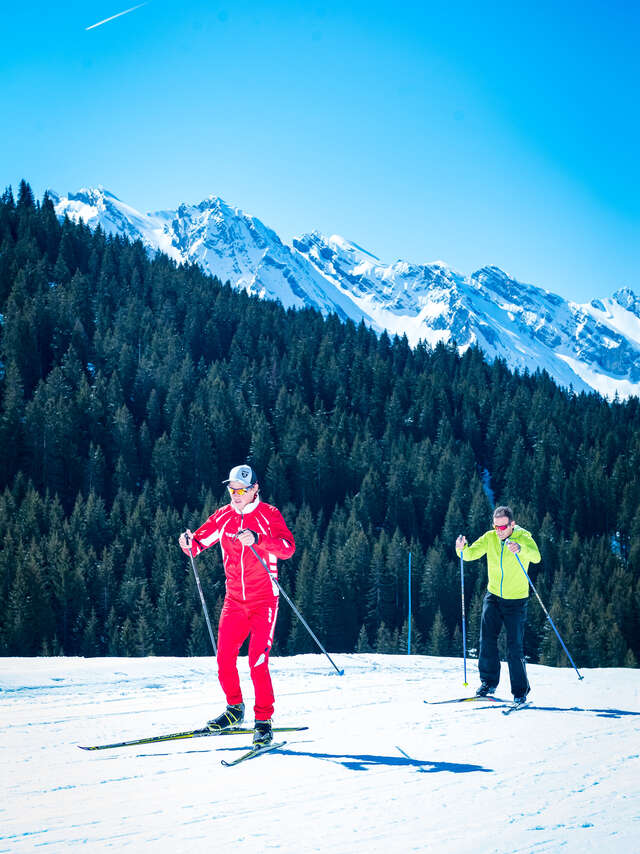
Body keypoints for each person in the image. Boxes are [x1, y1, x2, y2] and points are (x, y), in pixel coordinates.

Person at [179, 464, 295, 747]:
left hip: (264, 600)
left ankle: (263, 722)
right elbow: (198, 544)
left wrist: (259, 539)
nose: (236, 494)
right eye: (232, 489)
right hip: (234, 601)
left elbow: (287, 548)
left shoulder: (269, 514)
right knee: (224, 659)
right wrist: (187, 542)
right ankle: (234, 710)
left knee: (257, 661)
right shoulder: (223, 516)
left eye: (242, 490)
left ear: (255, 489)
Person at [455, 505, 541, 703]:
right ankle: (488, 683)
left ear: (512, 524)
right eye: (496, 527)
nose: (499, 531)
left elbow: (536, 557)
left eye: (503, 527)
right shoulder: (490, 537)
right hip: (493, 596)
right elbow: (469, 554)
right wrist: (461, 548)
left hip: (516, 600)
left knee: (514, 647)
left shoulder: (523, 537)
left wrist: (520, 549)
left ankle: (520, 691)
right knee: (487, 640)